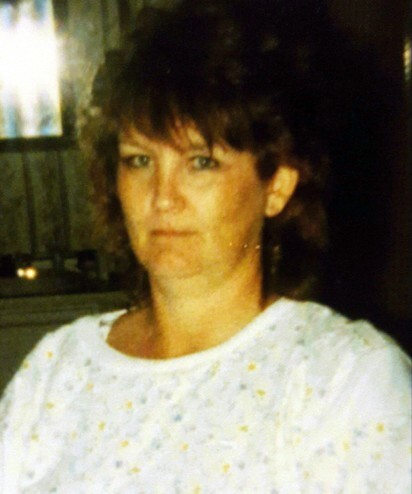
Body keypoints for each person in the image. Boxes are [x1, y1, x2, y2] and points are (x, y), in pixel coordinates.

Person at [0, 0, 410, 492]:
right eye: (139, 161)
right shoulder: (57, 371)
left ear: (277, 186)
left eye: (200, 163)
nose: (162, 197)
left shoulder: (343, 380)